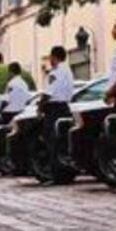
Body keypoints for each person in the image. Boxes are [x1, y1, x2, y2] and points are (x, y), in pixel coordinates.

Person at [38, 46, 75, 185]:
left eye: (51, 57)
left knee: (52, 143)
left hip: (53, 110)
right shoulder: (68, 71)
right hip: (65, 108)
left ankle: (56, 176)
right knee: (64, 142)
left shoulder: (55, 73)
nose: (50, 60)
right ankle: (67, 174)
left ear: (54, 57)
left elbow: (48, 93)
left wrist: (40, 107)